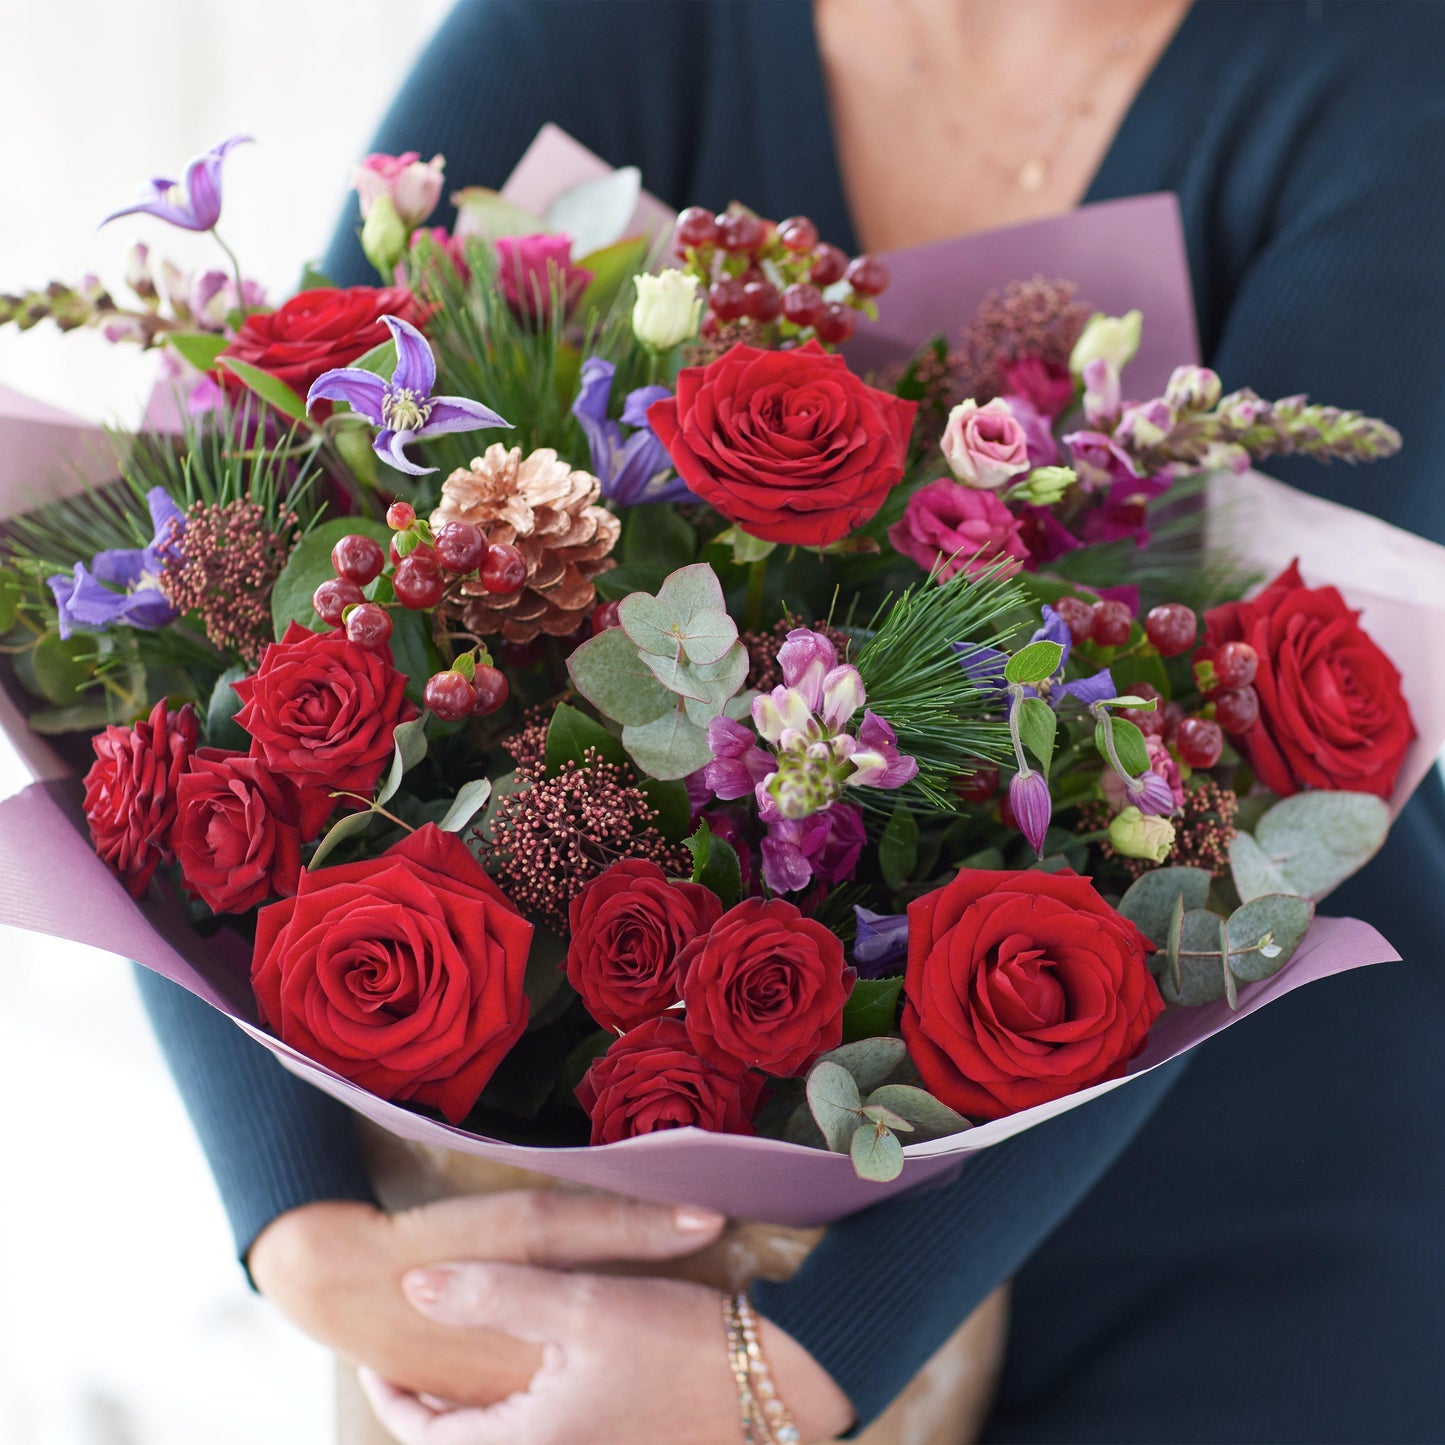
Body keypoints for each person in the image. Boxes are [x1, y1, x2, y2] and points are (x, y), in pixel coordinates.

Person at [135, 1, 1445, 1440]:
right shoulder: (604, 31)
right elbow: (218, 641)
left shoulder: (1385, 82)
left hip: (1232, 1253)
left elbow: (1267, 757)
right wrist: (299, 1226)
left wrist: (802, 1364)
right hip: (657, 1282)